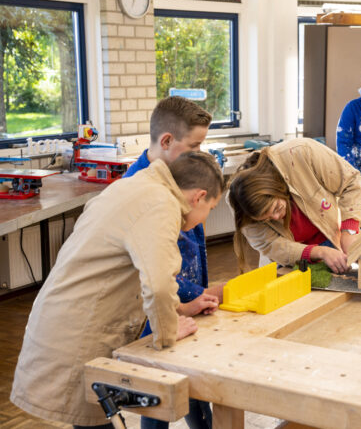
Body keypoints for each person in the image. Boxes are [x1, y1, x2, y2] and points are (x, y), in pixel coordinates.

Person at [11, 151, 225, 428]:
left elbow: (145, 270)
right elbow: (158, 285)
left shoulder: (136, 185)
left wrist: (181, 308)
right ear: (199, 196)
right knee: (94, 420)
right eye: (211, 207)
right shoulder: (162, 205)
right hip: (77, 333)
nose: (205, 216)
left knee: (97, 419)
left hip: (62, 319)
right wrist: (169, 333)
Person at [124, 96, 220, 429]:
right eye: (194, 146)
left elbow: (190, 249)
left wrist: (199, 292)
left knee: (195, 385)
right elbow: (152, 271)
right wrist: (191, 294)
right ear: (166, 141)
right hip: (157, 310)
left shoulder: (181, 179)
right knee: (160, 396)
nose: (199, 156)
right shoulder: (140, 191)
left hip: (185, 301)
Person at [228, 138, 361, 274]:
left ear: (279, 187)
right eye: (266, 219)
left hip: (330, 236)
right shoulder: (240, 204)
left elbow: (350, 181)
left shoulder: (302, 152)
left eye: (277, 208)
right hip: (286, 257)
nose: (276, 217)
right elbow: (270, 245)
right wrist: (318, 252)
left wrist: (349, 230)